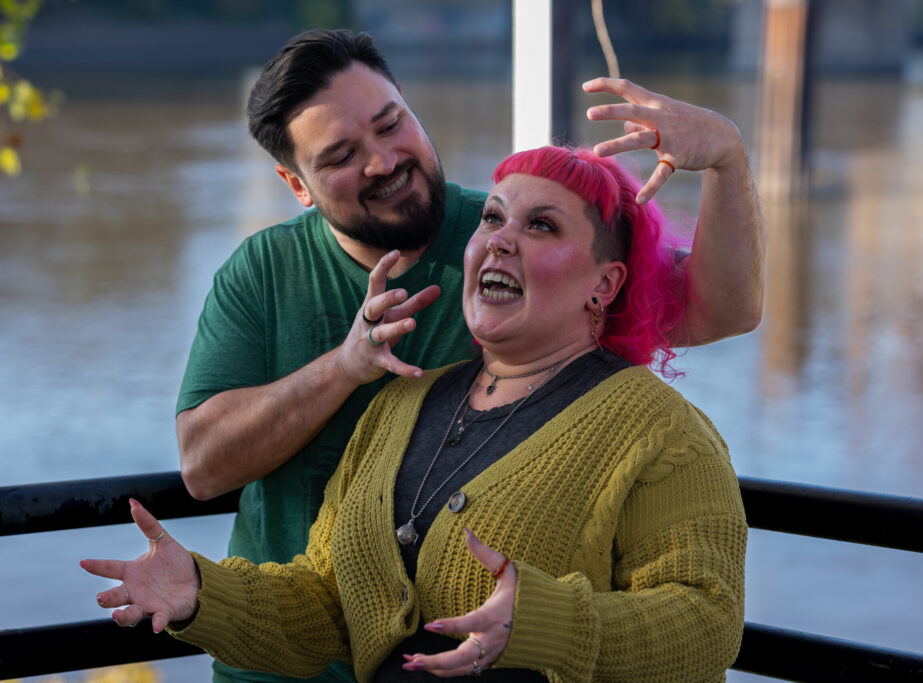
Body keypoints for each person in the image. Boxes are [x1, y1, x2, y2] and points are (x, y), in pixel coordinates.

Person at [174, 29, 762, 683]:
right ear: (297, 184)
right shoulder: (263, 271)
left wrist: (726, 160)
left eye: (391, 123)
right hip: (276, 663)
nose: (381, 160)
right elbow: (203, 467)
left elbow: (720, 309)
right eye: (341, 154)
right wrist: (345, 368)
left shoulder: (505, 231)